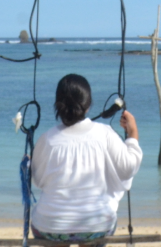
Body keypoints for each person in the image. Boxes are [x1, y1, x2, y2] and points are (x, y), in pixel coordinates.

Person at [31, 74, 143, 242]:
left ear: (57, 106)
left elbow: (37, 181)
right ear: (88, 105)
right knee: (93, 230)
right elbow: (128, 169)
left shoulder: (46, 139)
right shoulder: (105, 134)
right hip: (97, 225)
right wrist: (132, 134)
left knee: (53, 229)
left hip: (50, 226)